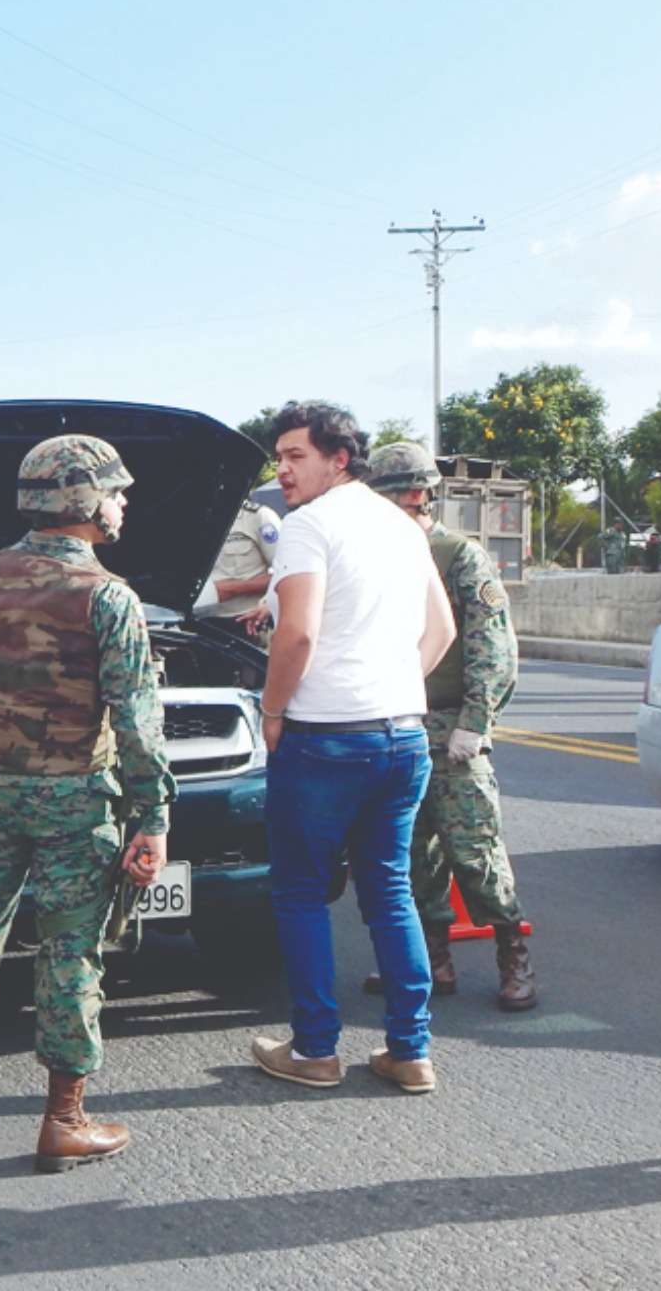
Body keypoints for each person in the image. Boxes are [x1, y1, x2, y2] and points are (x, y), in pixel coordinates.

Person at [0, 433, 172, 1172]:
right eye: (115, 490)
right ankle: (64, 1120)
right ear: (81, 500)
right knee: (70, 953)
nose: (124, 502)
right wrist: (153, 817)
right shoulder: (107, 597)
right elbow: (138, 721)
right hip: (76, 801)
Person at [246, 402, 455, 1094]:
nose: (283, 469)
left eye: (296, 455)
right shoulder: (402, 525)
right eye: (279, 457)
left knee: (301, 892)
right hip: (403, 735)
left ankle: (315, 1051)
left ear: (340, 459)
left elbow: (297, 634)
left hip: (325, 740)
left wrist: (273, 711)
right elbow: (442, 631)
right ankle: (410, 1051)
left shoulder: (308, 526)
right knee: (389, 891)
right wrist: (389, 687)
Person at [360, 442, 534, 1011]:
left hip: (453, 730)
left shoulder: (457, 556)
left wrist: (477, 722)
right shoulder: (377, 555)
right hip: (399, 724)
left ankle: (513, 956)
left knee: (475, 850)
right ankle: (433, 960)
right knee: (410, 856)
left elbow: (492, 643)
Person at [203, 492, 281, 639]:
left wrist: (234, 589)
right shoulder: (192, 522)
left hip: (246, 623)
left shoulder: (258, 517)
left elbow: (287, 575)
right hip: (199, 624)